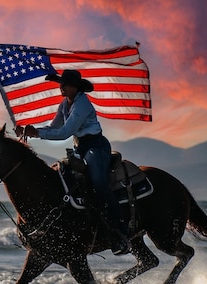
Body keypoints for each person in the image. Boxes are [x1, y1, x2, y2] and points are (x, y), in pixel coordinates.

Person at [15, 69, 129, 255]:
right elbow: (54, 127)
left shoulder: (82, 104)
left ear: (75, 87)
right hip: (80, 148)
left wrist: (37, 133)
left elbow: (64, 133)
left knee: (99, 184)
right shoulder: (64, 104)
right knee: (64, 180)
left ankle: (121, 232)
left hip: (96, 146)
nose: (61, 88)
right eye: (61, 85)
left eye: (65, 85)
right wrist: (31, 131)